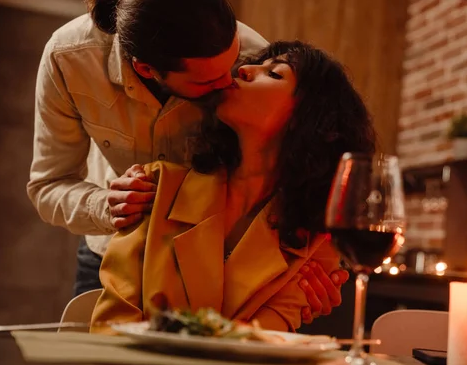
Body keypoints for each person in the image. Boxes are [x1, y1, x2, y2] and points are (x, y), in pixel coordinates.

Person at [27, 0, 347, 323]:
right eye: (207, 85)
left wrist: (308, 286)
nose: (233, 80)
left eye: (239, 65)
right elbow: (49, 184)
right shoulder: (70, 58)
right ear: (146, 69)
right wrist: (107, 206)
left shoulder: (248, 56)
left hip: (227, 253)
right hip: (119, 245)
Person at [90, 40, 376, 333]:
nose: (244, 70)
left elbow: (257, 343)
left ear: (313, 119)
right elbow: (112, 324)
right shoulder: (155, 186)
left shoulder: (316, 246)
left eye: (274, 74)